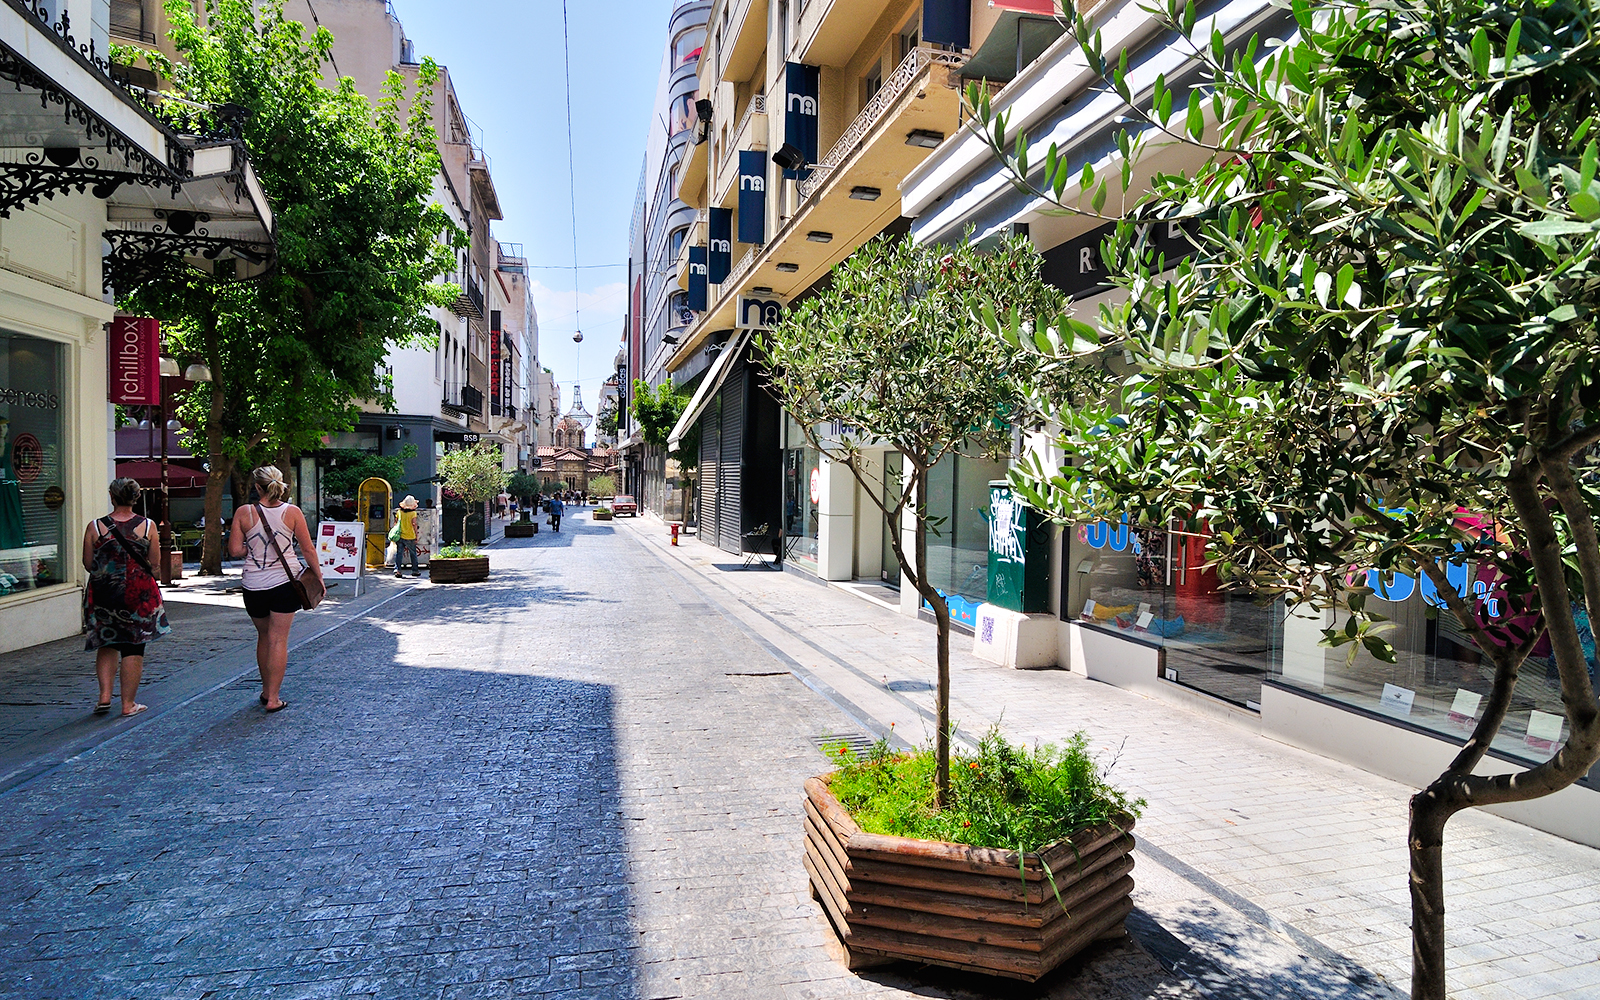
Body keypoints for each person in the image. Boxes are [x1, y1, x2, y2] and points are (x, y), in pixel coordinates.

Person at [228, 466, 323, 712]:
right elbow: (308, 549)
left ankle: (264, 689)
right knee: (279, 639)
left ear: (257, 487)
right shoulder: (292, 512)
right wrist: (319, 578)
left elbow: (235, 551)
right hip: (285, 582)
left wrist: (253, 549)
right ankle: (273, 698)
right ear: (280, 485)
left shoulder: (244, 512)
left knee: (263, 637)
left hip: (253, 584)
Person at [81, 478, 169, 717]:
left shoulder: (95, 526)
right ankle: (128, 704)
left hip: (103, 593)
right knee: (134, 645)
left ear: (112, 496)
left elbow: (88, 563)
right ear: (135, 498)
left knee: (106, 641)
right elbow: (155, 562)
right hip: (136, 594)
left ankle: (104, 697)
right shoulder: (148, 526)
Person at [394, 495, 421, 578]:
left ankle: (398, 570)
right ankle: (415, 570)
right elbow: (414, 524)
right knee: (413, 554)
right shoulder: (413, 513)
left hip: (400, 535)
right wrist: (416, 536)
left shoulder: (399, 512)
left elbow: (395, 523)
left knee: (399, 553)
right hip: (410, 536)